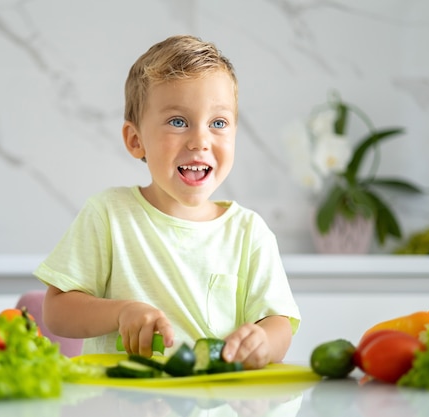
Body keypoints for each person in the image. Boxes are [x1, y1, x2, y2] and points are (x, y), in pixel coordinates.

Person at [34, 34, 300, 370]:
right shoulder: (108, 214)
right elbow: (56, 313)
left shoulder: (250, 232)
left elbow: (278, 324)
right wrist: (121, 312)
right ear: (135, 140)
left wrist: (264, 343)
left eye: (218, 123)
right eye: (178, 122)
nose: (200, 141)